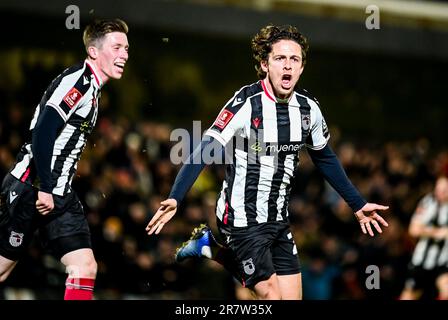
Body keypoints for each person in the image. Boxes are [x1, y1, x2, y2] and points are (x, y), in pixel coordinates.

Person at [146, 24, 389, 300]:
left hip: (278, 219)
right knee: (271, 296)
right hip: (240, 218)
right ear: (265, 64)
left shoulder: (309, 109)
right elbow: (205, 148)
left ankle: (208, 247)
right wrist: (176, 196)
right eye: (280, 58)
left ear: (301, 68)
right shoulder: (246, 103)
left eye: (294, 59)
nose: (287, 66)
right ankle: (214, 249)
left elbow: (324, 156)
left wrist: (357, 203)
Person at [0, 18, 129, 300]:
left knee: (84, 266)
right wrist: (45, 186)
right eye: (117, 47)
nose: (124, 55)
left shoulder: (93, 89)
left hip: (60, 195)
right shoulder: (79, 82)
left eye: (126, 48)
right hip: (31, 188)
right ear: (94, 51)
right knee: (2, 269)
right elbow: (44, 131)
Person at [400, 175, 448, 300]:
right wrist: (437, 232)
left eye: (444, 190)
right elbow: (413, 230)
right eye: (438, 189)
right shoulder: (428, 202)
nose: (440, 193)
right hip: (421, 262)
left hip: (442, 262)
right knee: (409, 296)